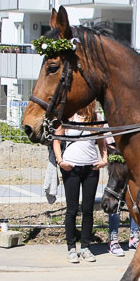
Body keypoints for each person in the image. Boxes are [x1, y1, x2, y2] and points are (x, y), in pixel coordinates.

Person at [52, 103, 107, 263]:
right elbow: (56, 141)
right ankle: (71, 248)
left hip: (91, 168)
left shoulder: (96, 118)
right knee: (72, 209)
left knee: (88, 209)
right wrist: (60, 161)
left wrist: (104, 160)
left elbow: (101, 141)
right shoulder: (67, 116)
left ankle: (85, 247)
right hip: (71, 167)